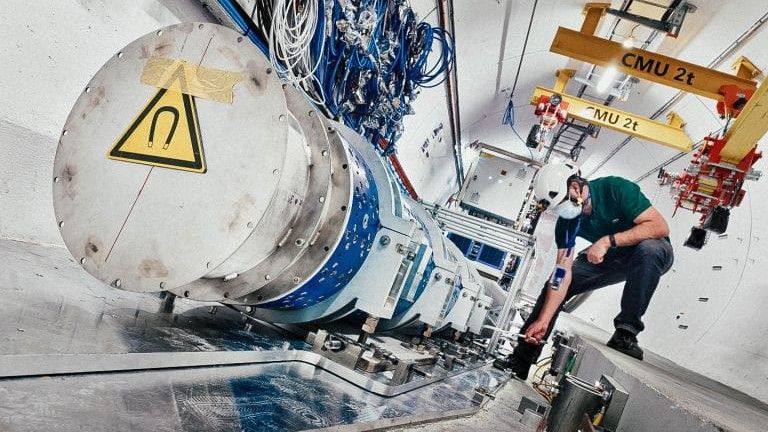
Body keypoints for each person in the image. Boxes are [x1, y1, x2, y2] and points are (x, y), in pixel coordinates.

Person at [494, 162, 674, 379]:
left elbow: (659, 227)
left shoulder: (616, 188)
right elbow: (562, 270)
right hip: (611, 259)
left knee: (649, 250)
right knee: (555, 281)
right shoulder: (568, 221)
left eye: (565, 202)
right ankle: (522, 358)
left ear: (576, 186)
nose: (565, 210)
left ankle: (626, 333)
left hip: (650, 250)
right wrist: (543, 318)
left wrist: (608, 241)